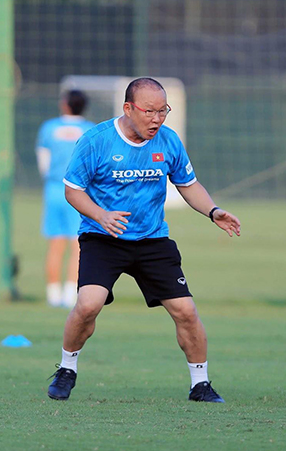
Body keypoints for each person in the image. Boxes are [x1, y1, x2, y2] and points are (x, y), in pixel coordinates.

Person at [47, 77, 241, 403]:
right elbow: (73, 190)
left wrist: (213, 210)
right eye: (149, 111)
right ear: (128, 108)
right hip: (103, 237)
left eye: (163, 111)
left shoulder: (168, 141)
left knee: (186, 311)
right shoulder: (96, 141)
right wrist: (100, 215)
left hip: (152, 240)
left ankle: (200, 384)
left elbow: (188, 184)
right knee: (88, 305)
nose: (157, 119)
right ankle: (67, 369)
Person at [36, 90, 94, 308]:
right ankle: (70, 295)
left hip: (54, 189)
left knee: (55, 244)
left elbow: (43, 162)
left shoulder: (49, 128)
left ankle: (53, 295)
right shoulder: (90, 130)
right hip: (80, 192)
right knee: (78, 245)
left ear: (65, 104)